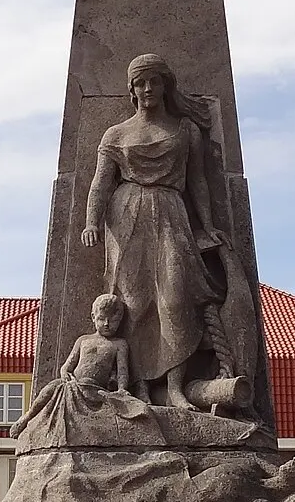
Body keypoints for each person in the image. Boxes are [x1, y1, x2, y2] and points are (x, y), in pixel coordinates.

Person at [79, 53, 228, 409]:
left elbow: (198, 184)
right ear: (131, 90)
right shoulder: (116, 134)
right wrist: (91, 222)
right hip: (126, 215)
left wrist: (207, 226)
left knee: (175, 299)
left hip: (171, 212)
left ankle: (175, 387)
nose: (147, 88)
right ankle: (136, 388)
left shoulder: (186, 129)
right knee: (132, 303)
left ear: (165, 85)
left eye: (153, 81)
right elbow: (100, 184)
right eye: (139, 83)